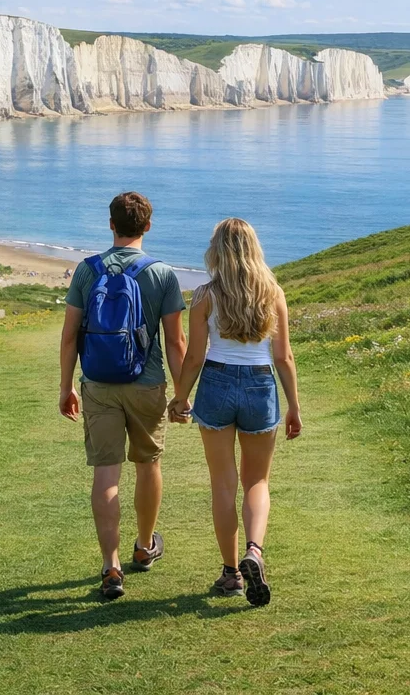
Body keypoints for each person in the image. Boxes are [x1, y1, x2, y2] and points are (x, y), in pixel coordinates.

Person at [59, 192, 186, 600]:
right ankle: (145, 546)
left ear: (110, 224)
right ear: (148, 226)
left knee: (105, 472)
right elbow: (176, 343)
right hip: (147, 385)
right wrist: (182, 394)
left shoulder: (86, 270)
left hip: (98, 383)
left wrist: (65, 387)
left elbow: (69, 337)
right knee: (148, 465)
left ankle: (111, 566)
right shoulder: (163, 274)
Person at [169, 218, 301, 607]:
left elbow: (194, 356)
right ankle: (254, 552)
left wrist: (179, 399)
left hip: (216, 383)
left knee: (223, 484)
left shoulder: (206, 294)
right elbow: (284, 356)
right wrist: (293, 406)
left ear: (217, 251)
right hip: (261, 385)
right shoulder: (272, 291)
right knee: (257, 482)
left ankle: (231, 574)